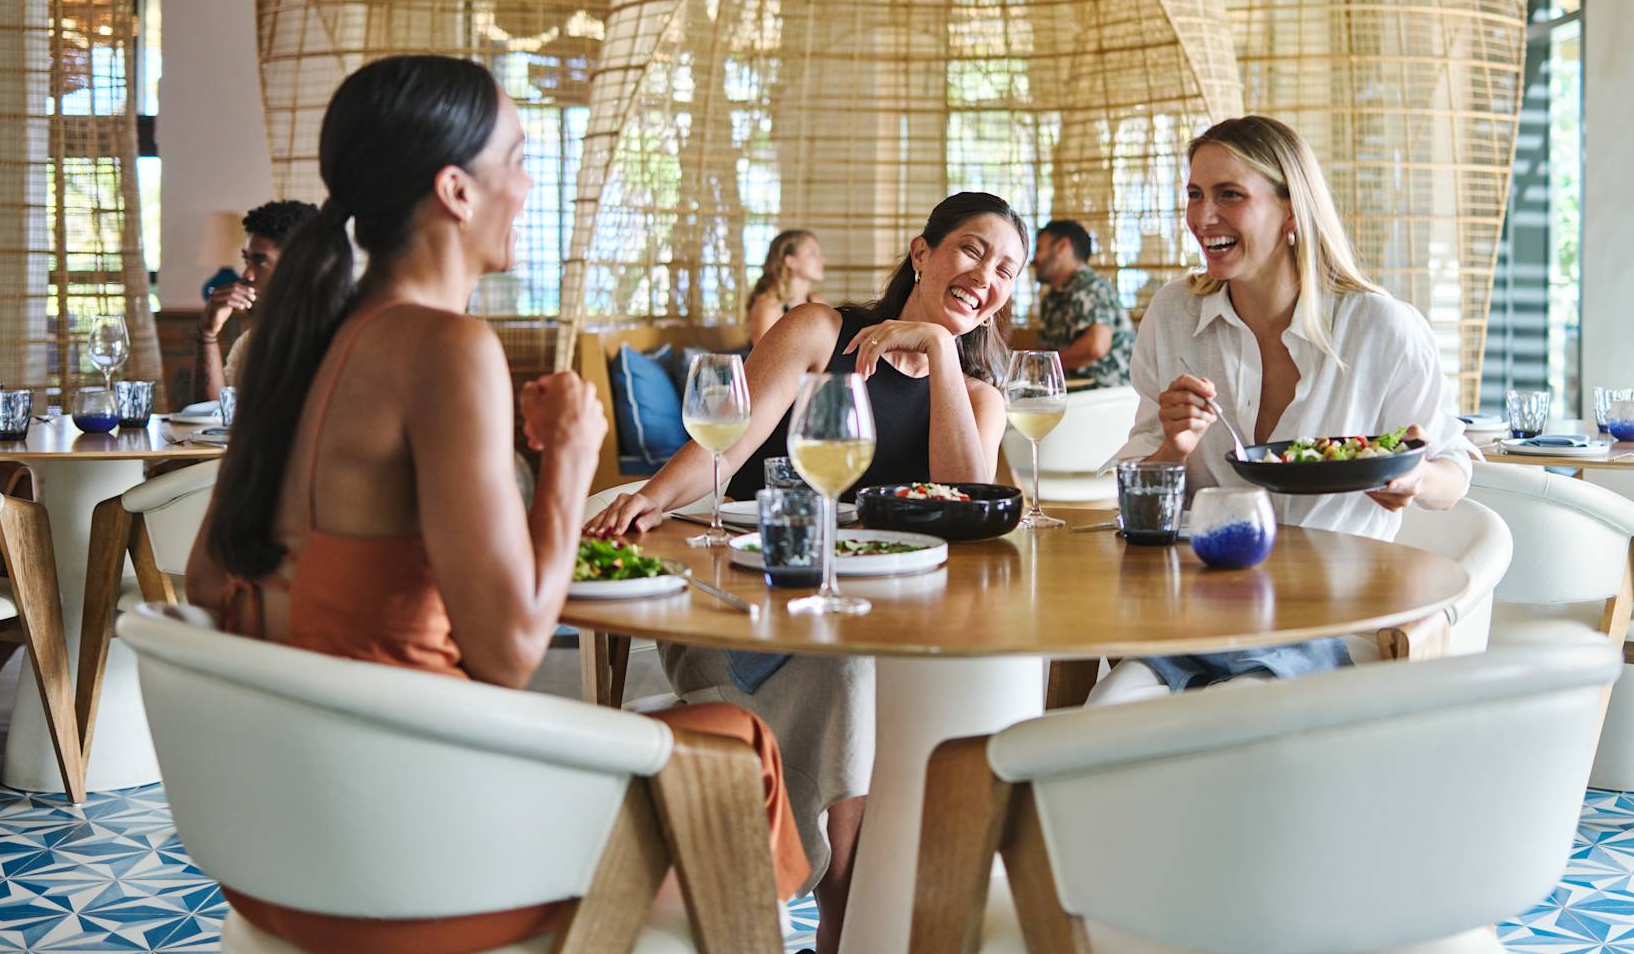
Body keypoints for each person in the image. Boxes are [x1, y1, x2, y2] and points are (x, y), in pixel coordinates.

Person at [183, 55, 808, 952]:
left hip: (285, 851)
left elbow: (208, 580)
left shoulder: (306, 340)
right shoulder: (445, 348)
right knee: (739, 746)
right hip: (413, 860)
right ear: (456, 190)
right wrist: (571, 459)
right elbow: (512, 654)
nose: (528, 183)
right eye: (517, 157)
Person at [587, 191, 1026, 953]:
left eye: (1007, 272)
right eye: (971, 250)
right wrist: (649, 497)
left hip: (879, 631)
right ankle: (836, 917)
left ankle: (827, 912)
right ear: (921, 254)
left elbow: (960, 498)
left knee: (868, 671)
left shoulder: (979, 395)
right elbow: (728, 440)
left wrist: (943, 354)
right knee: (849, 673)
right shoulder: (823, 332)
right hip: (750, 608)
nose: (985, 275)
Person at [1094, 115, 1478, 704]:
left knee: (1233, 715)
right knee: (1105, 709)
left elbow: (1452, 474)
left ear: (1291, 211)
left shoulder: (1381, 328)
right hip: (1202, 611)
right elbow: (1139, 493)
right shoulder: (1173, 314)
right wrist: (1172, 445)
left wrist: (1414, 475)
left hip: (1335, 614)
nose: (1202, 218)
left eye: (1230, 196)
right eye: (1195, 195)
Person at [192, 199, 318, 404]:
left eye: (260, 261)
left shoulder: (333, 338)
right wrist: (207, 333)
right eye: (246, 260)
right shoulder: (251, 342)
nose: (247, 274)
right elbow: (212, 414)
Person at [1031, 218, 1135, 388]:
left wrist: (1044, 365)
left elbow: (1096, 346)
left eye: (1038, 249)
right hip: (1074, 395)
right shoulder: (1052, 298)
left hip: (1106, 396)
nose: (1034, 259)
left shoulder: (1089, 286)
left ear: (1062, 246)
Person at [746, 228, 828, 344]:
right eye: (812, 253)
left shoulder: (817, 301)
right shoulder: (768, 307)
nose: (823, 261)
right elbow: (765, 359)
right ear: (791, 261)